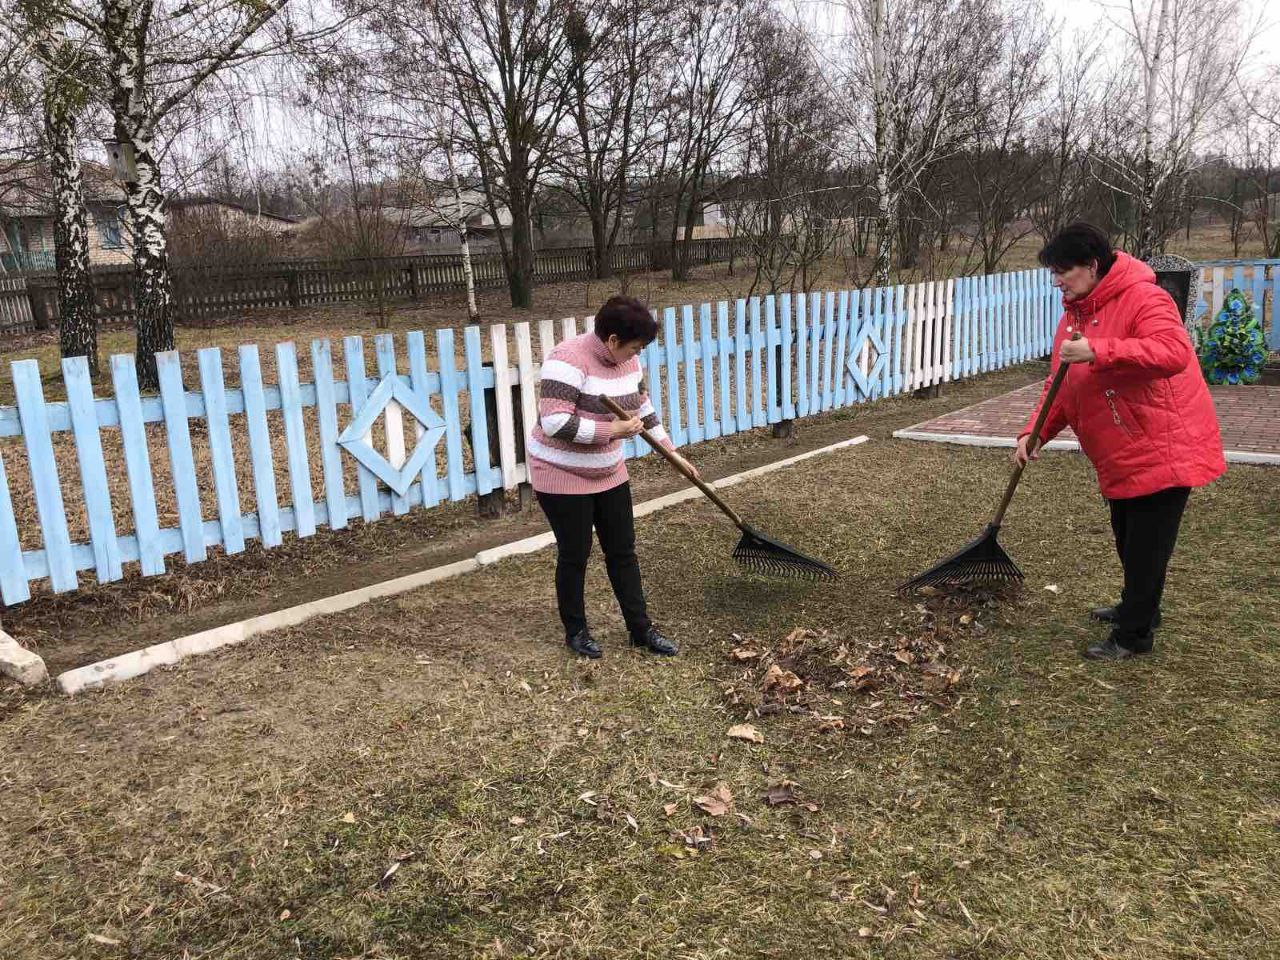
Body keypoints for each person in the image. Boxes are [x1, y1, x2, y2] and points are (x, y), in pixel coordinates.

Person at [1015, 223, 1225, 661]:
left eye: (1062, 271)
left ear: (1092, 266)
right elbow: (1061, 382)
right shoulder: (1076, 310)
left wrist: (1099, 350)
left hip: (1162, 441)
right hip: (1122, 446)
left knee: (1146, 545)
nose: (1056, 281)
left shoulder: (1146, 298)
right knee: (1128, 537)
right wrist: (1034, 433)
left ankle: (1134, 636)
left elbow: (1172, 353)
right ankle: (1139, 606)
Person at [528, 295, 698, 659]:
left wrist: (672, 453)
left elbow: (644, 408)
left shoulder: (629, 362)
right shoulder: (567, 359)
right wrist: (613, 430)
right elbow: (554, 422)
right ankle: (576, 631)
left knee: (623, 552)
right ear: (612, 341)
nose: (639, 354)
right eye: (635, 346)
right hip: (561, 473)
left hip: (608, 472)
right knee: (575, 554)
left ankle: (641, 630)